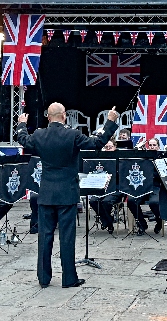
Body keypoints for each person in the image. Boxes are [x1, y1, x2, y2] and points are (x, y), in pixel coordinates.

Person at [16, 102, 118, 288]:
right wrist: (109, 122)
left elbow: (23, 139)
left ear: (48, 117)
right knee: (67, 237)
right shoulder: (73, 135)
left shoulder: (39, 135)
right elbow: (97, 143)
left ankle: (44, 278)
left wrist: (22, 123)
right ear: (64, 116)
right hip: (67, 193)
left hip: (46, 193)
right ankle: (69, 278)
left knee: (44, 237)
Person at [127, 138, 162, 235]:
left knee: (154, 203)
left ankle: (159, 221)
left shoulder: (161, 158)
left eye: (154, 145)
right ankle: (142, 224)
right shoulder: (143, 158)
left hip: (155, 186)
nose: (152, 147)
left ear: (158, 147)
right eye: (150, 145)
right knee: (131, 201)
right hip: (141, 186)